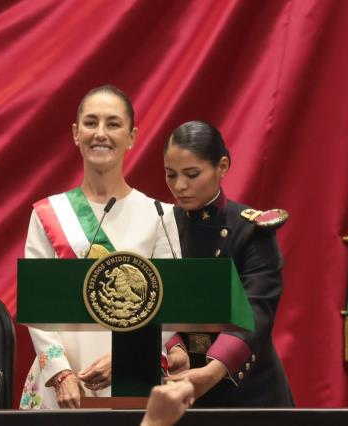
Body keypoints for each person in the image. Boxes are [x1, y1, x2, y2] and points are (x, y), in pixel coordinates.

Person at [19, 85, 181, 409]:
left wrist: (125, 358)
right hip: (62, 385)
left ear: (132, 136)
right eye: (91, 123)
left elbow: (173, 305)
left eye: (113, 124)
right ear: (75, 134)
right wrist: (61, 373)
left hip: (132, 378)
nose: (101, 133)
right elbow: (36, 304)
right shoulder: (47, 214)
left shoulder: (160, 215)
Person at [162, 120, 293, 407]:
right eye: (171, 175)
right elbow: (155, 300)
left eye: (192, 174)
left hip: (248, 389)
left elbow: (257, 308)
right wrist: (174, 347)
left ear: (222, 166)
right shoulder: (162, 224)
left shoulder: (250, 229)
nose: (180, 186)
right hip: (179, 382)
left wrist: (215, 369)